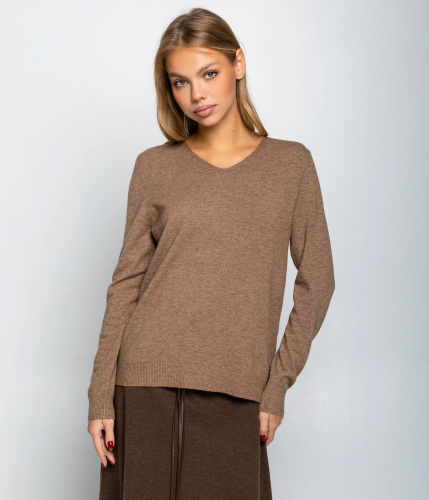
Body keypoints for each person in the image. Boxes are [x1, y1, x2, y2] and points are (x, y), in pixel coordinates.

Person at [87, 7, 335, 500]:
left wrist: (277, 385)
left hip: (238, 391)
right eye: (180, 82)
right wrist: (100, 394)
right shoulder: (154, 167)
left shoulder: (291, 165)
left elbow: (318, 280)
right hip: (143, 387)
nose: (196, 94)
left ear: (237, 63)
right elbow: (126, 285)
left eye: (208, 74)